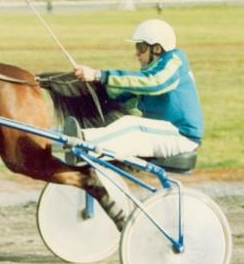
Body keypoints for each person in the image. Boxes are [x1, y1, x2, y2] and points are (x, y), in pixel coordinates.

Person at [66, 18, 203, 161]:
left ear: (157, 48)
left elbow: (154, 82)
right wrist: (91, 86)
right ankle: (75, 140)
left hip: (181, 136)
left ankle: (83, 145)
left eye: (141, 47)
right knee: (127, 124)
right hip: (163, 132)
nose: (136, 53)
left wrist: (99, 74)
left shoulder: (175, 61)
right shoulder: (152, 71)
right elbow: (121, 96)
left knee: (133, 126)